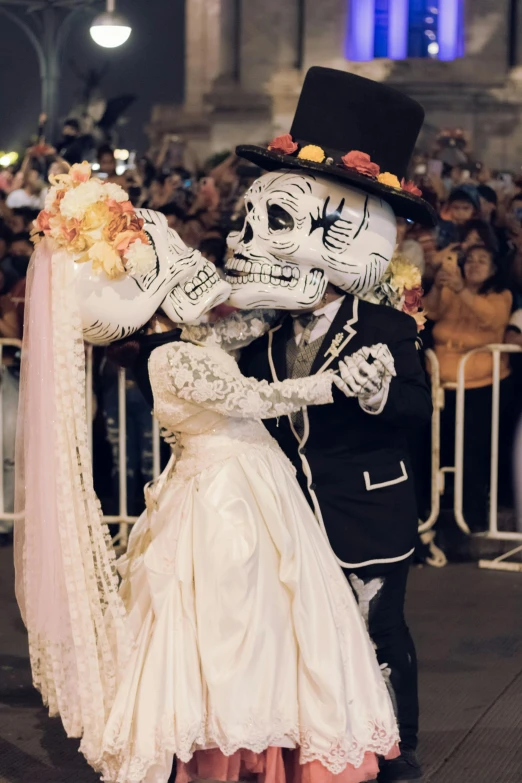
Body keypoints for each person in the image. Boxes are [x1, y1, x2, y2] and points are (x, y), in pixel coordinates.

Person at [16, 162, 400, 783]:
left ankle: (271, 736)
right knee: (235, 622)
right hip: (226, 500)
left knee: (273, 618)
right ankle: (231, 742)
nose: (189, 258)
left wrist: (297, 291)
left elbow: (248, 321)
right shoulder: (170, 359)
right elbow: (253, 400)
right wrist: (335, 383)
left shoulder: (192, 342)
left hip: (249, 484)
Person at [235, 68, 436, 783]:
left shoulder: (383, 324)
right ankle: (329, 743)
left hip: (367, 504)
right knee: (314, 639)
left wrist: (380, 394)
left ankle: (400, 745)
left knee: (379, 630)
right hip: (295, 515)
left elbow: (415, 411)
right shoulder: (261, 330)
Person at [423, 244, 513, 530]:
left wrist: (462, 289)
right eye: (469, 260)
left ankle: (474, 521)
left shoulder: (501, 295)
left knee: (473, 453)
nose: (474, 265)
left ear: (494, 268)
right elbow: (429, 312)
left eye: (482, 260)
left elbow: (491, 318)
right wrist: (438, 286)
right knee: (440, 450)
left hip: (480, 386)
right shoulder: (451, 288)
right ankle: (441, 517)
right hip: (440, 383)